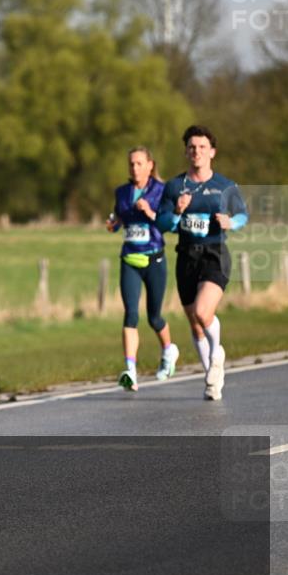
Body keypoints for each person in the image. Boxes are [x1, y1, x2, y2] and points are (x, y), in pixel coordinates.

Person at [156, 125, 248, 400]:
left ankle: (217, 353)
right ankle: (212, 376)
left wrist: (231, 222)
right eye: (192, 147)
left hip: (214, 254)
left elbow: (243, 215)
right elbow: (162, 224)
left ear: (212, 152)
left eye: (202, 147)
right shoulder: (174, 186)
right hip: (186, 256)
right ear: (186, 152)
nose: (197, 151)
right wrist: (176, 211)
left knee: (203, 312)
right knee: (195, 324)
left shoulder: (225, 186)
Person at [106, 147, 178, 392]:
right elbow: (119, 219)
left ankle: (168, 351)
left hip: (154, 259)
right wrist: (113, 224)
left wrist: (150, 211)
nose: (134, 168)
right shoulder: (122, 192)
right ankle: (130, 371)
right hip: (130, 259)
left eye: (139, 163)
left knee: (154, 317)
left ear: (150, 165)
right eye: (131, 164)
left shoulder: (162, 191)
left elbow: (167, 222)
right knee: (131, 315)